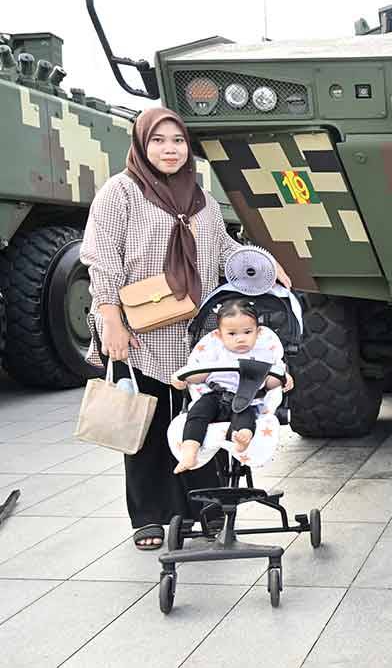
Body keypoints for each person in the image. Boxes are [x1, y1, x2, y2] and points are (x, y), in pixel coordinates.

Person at [81, 108, 291, 550]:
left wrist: (267, 268)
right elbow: (100, 256)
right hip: (141, 330)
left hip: (194, 338)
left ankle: (206, 509)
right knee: (148, 425)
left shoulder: (201, 199)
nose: (169, 149)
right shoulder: (120, 193)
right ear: (141, 144)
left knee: (203, 419)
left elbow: (223, 249)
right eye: (158, 140)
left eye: (177, 140)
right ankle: (151, 518)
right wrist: (110, 318)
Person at [170, 299, 293, 473]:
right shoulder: (214, 352)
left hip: (246, 399)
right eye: (232, 333)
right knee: (197, 414)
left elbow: (269, 382)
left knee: (245, 419)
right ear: (219, 335)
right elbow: (199, 375)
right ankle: (189, 452)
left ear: (257, 333)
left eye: (247, 332)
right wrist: (183, 378)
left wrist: (282, 379)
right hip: (213, 396)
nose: (240, 338)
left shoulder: (263, 354)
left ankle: (243, 438)